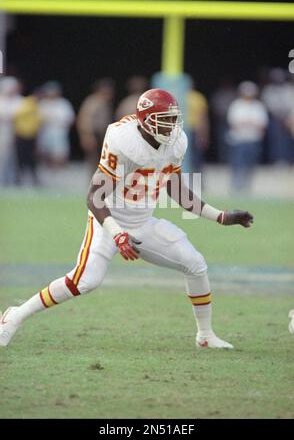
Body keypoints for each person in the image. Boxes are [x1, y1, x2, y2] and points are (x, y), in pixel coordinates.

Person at [0, 89, 253, 349]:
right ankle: (14, 316)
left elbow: (175, 188)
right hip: (108, 219)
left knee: (195, 264)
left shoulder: (177, 141)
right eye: (164, 120)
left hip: (143, 221)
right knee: (85, 281)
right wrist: (117, 233)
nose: (171, 126)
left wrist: (220, 216)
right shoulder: (123, 139)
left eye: (173, 119)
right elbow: (94, 198)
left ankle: (205, 336)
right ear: (146, 120)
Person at [227, 81, 268, 193]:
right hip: (239, 140)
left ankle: (247, 186)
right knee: (237, 163)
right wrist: (250, 123)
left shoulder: (258, 106)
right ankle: (236, 186)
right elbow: (234, 123)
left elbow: (262, 124)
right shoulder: (236, 105)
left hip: (253, 140)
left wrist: (246, 123)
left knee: (251, 164)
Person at [77, 78, 115, 175]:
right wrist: (87, 137)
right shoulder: (92, 102)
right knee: (94, 161)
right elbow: (84, 120)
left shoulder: (104, 103)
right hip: (93, 135)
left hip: (102, 136)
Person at [38, 81, 75, 168]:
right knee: (45, 150)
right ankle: (48, 167)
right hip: (45, 131)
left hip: (59, 131)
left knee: (60, 151)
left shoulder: (63, 103)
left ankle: (60, 168)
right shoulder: (43, 103)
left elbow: (70, 118)